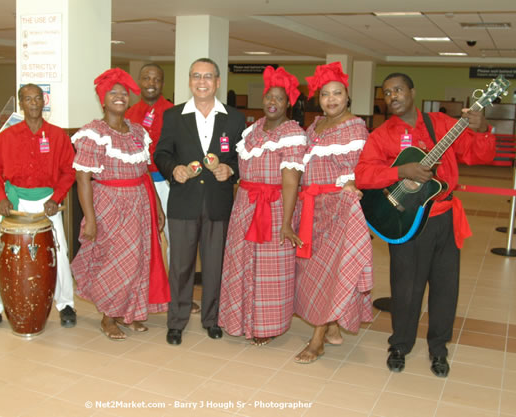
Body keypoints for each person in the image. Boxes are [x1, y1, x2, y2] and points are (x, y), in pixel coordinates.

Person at [355, 73, 496, 377]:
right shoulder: (381, 135)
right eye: (387, 92)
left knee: (446, 288)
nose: (393, 96)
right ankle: (400, 344)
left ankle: (439, 348)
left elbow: (479, 154)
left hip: (444, 217)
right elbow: (364, 175)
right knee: (405, 288)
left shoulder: (441, 124)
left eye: (399, 90)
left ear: (412, 91)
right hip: (406, 220)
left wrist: (481, 127)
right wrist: (400, 171)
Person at [70, 68, 169, 340]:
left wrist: (157, 207)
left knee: (137, 261)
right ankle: (108, 317)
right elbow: (83, 179)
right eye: (113, 94)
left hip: (139, 204)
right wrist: (90, 219)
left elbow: (146, 172)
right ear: (103, 100)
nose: (119, 98)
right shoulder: (93, 133)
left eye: (123, 94)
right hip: (109, 205)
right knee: (112, 262)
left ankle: (130, 313)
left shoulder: (138, 132)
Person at [154, 58, 245, 345]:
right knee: (180, 266)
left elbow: (242, 158)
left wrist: (230, 169)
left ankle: (212, 318)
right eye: (196, 76)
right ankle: (176, 321)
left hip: (218, 204)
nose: (202, 81)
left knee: (214, 266)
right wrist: (173, 169)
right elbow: (162, 153)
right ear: (189, 81)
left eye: (208, 76)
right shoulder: (173, 115)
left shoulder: (234, 118)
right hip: (183, 202)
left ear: (218, 82)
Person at [0, 83, 77, 333]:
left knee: (59, 253)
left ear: (44, 102)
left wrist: (57, 198)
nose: (33, 103)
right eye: (27, 99)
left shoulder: (57, 136)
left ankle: (65, 305)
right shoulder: (7, 137)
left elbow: (69, 171)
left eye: (37, 98)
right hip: (14, 203)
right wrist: (1, 198)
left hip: (47, 204)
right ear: (21, 103)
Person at [218, 66, 306, 346]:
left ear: (288, 103)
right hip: (245, 205)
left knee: (270, 269)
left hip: (276, 207)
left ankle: (266, 324)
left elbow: (291, 181)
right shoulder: (252, 130)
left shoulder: (292, 132)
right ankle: (239, 318)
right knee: (241, 263)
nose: (272, 102)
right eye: (269, 96)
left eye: (279, 98)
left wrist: (287, 222)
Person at [293, 63, 373, 363]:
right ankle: (333, 325)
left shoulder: (355, 127)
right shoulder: (314, 126)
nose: (331, 100)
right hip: (312, 209)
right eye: (325, 94)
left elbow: (361, 167)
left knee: (332, 271)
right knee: (316, 271)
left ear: (347, 96)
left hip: (339, 208)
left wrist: (352, 182)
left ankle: (317, 340)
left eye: (337, 93)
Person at [125, 63, 201, 315]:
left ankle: (179, 295)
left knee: (178, 240)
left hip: (169, 183)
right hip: (137, 185)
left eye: (156, 79)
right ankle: (142, 294)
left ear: (163, 84)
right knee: (139, 241)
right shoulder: (128, 113)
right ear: (138, 81)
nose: (151, 83)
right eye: (146, 77)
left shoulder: (176, 112)